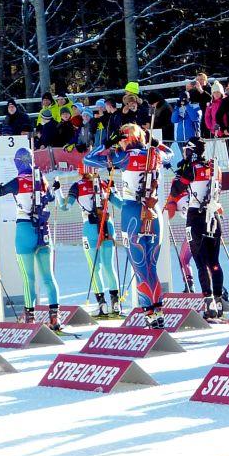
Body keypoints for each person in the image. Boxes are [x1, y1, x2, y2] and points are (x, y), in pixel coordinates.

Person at [83, 124, 174, 328]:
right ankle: (158, 309)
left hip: (133, 212)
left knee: (140, 268)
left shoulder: (124, 157)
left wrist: (106, 144)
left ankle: (149, 312)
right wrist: (156, 143)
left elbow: (88, 159)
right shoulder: (154, 154)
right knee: (151, 267)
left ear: (125, 139)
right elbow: (170, 153)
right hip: (154, 212)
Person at [0, 148, 63, 331]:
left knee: (28, 278)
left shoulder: (17, 181)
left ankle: (29, 319)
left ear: (17, 162)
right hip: (43, 228)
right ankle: (55, 318)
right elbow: (50, 197)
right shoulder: (41, 179)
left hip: (24, 229)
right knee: (48, 277)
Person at [165, 138, 227, 319]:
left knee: (201, 263)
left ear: (192, 151)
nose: (184, 153)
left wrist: (180, 173)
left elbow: (175, 190)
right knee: (214, 262)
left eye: (186, 150)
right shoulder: (215, 167)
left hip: (196, 217)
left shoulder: (191, 168)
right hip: (213, 216)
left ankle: (209, 303)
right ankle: (218, 301)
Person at [61, 165, 121, 317]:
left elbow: (65, 207)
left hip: (90, 227)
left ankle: (102, 305)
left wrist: (57, 192)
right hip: (107, 225)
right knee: (109, 266)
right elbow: (120, 204)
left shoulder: (77, 186)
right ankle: (116, 304)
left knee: (95, 268)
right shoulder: (104, 183)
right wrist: (114, 189)